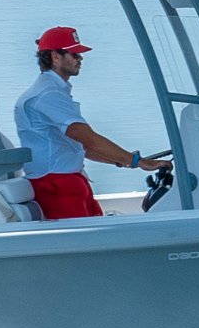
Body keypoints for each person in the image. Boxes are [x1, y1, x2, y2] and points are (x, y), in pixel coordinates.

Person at [11, 25, 170, 220]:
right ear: (55, 56)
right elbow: (90, 140)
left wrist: (125, 161)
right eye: (75, 54)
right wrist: (140, 162)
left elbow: (83, 148)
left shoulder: (54, 92)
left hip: (71, 182)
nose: (80, 59)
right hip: (57, 185)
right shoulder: (48, 95)